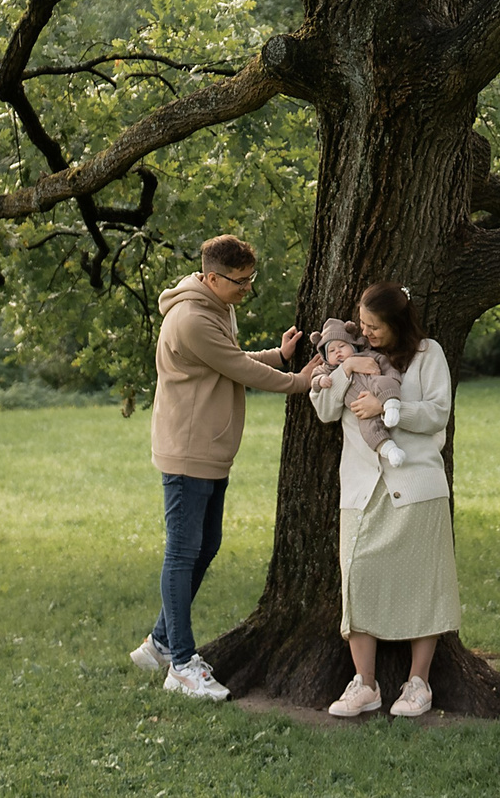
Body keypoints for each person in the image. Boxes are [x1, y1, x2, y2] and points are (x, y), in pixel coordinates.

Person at [131, 234, 315, 701]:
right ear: (212, 278)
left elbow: (228, 363)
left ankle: (157, 642)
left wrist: (278, 357)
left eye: (251, 279)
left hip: (210, 448)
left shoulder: (217, 306)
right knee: (182, 553)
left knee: (206, 545)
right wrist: (297, 381)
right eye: (240, 281)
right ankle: (181, 665)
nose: (246, 290)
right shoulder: (191, 317)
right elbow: (238, 368)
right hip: (188, 451)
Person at [310, 282, 459, 720]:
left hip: (417, 485)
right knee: (357, 579)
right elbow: (322, 407)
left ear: (397, 323)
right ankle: (366, 684)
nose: (368, 332)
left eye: (376, 327)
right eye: (364, 323)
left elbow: (438, 412)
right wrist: (347, 366)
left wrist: (388, 410)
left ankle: (418, 683)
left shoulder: (428, 355)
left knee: (424, 584)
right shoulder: (345, 353)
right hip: (361, 488)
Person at [312, 317, 406, 467]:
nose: (338, 352)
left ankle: (391, 407)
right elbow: (315, 382)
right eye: (331, 350)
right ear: (325, 356)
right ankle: (390, 450)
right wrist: (322, 380)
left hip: (378, 388)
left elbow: (388, 370)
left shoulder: (369, 356)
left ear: (353, 346)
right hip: (362, 412)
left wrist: (391, 385)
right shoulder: (327, 372)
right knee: (369, 430)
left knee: (383, 382)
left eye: (342, 346)